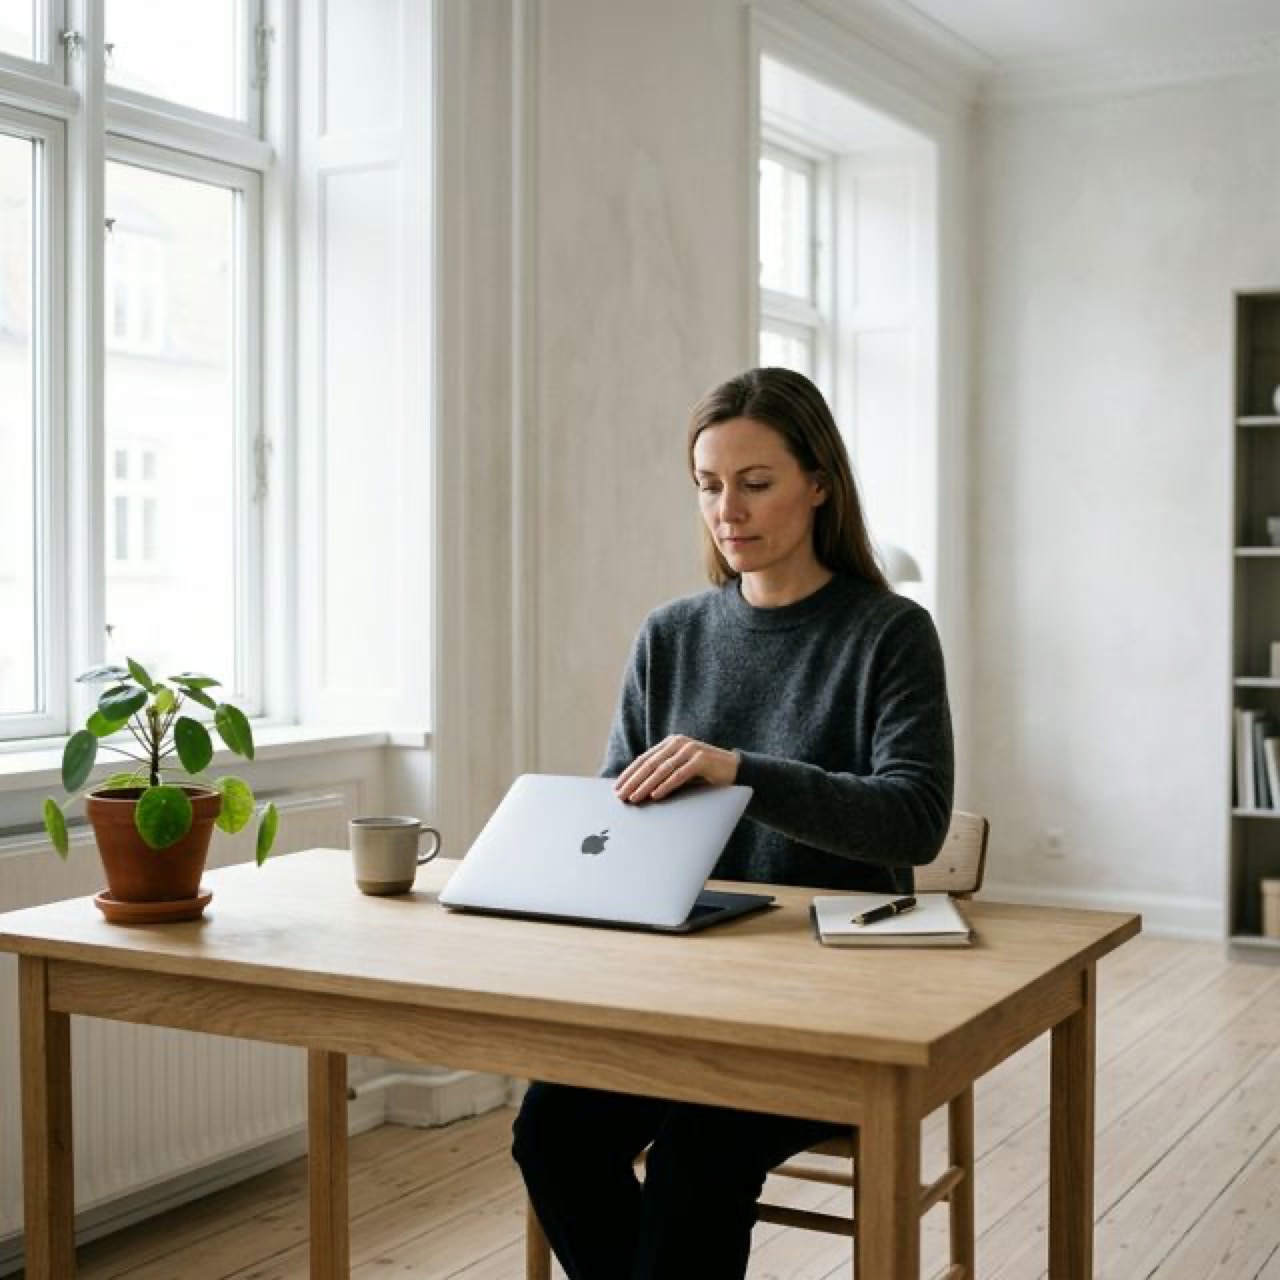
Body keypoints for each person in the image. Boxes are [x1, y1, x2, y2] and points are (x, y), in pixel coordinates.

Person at [511, 366, 954, 1280]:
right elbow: (615, 811)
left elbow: (915, 821)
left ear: (819, 484)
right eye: (709, 486)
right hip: (682, 993)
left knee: (697, 1155)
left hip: (829, 1001)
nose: (728, 510)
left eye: (756, 483)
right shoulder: (670, 634)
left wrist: (741, 772)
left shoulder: (890, 632)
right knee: (550, 1131)